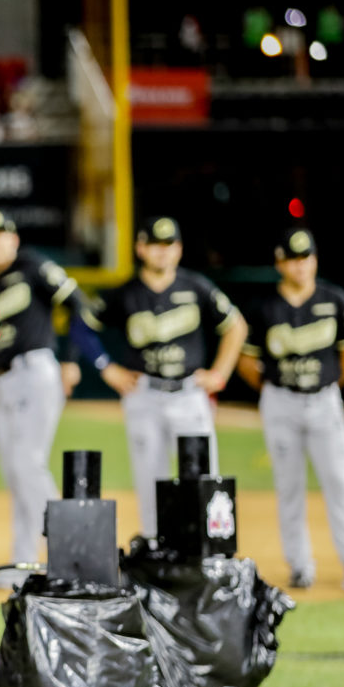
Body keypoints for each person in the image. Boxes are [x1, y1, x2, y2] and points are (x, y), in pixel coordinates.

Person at [236, 228, 344, 593]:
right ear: (279, 263)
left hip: (323, 400)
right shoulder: (264, 306)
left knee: (339, 482)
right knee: (288, 486)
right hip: (281, 401)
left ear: (314, 260)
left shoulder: (334, 299)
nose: (300, 265)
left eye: (305, 257)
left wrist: (328, 384)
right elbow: (246, 361)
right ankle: (300, 566)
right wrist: (273, 388)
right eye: (292, 258)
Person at [81, 216, 248, 541]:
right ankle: (156, 546)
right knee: (149, 478)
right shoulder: (125, 293)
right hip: (145, 394)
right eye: (155, 245)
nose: (162, 252)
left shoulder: (196, 286)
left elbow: (235, 325)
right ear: (141, 248)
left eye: (168, 244)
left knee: (203, 477)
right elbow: (82, 325)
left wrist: (220, 373)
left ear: (179, 249)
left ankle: (203, 548)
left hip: (188, 393)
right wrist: (106, 366)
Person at [0, 209, 81, 584]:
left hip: (36, 370)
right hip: (2, 382)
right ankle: (24, 563)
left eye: (2, 234)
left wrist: (70, 360)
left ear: (14, 241)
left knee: (29, 465)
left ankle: (70, 550)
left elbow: (77, 303)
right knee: (15, 473)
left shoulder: (34, 266)